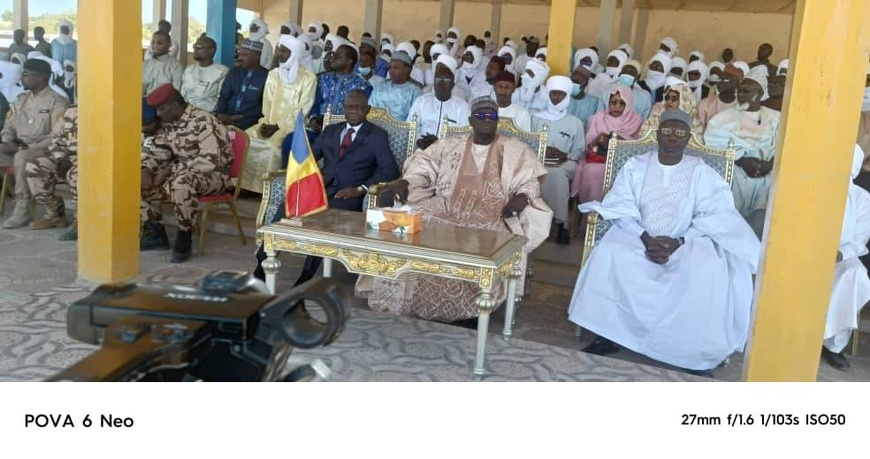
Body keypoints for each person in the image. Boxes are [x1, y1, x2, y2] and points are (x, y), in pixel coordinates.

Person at [570, 109, 760, 377]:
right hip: (638, 236)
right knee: (611, 252)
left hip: (687, 241)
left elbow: (717, 214)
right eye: (667, 131)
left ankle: (693, 353)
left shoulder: (701, 172)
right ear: (658, 134)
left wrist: (679, 241)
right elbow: (621, 204)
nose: (672, 137)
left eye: (679, 132)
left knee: (707, 268)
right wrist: (645, 237)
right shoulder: (636, 165)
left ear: (688, 137)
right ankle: (608, 335)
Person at [358, 97, 553, 322]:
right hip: (445, 206)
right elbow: (423, 168)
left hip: (493, 213)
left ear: (497, 120)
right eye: (480, 116)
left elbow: (530, 181)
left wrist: (523, 196)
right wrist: (406, 181)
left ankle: (473, 307)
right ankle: (406, 298)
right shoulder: (450, 144)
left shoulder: (514, 149)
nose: (486, 120)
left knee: (489, 236)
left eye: (491, 116)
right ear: (470, 120)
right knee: (411, 225)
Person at [252, 90, 399, 283]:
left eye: (358, 107)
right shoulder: (331, 130)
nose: (353, 111)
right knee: (287, 207)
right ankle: (261, 265)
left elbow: (390, 169)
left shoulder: (377, 135)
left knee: (323, 220)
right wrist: (303, 176)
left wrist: (360, 188)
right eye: (349, 107)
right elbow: (310, 157)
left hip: (349, 195)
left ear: (367, 110)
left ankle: (306, 276)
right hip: (321, 188)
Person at [140, 84, 233, 264]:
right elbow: (159, 152)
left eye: (161, 109)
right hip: (184, 174)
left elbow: (209, 161)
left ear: (175, 105)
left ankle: (184, 236)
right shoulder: (169, 124)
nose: (158, 114)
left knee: (181, 182)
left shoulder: (203, 120)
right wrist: (145, 168)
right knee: (135, 179)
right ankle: (155, 232)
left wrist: (170, 170)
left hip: (215, 176)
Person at [704, 67, 781, 238]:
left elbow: (785, 146)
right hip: (736, 168)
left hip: (768, 169)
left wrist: (769, 164)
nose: (740, 94)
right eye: (739, 90)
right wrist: (740, 160)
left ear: (760, 93)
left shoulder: (776, 118)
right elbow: (712, 145)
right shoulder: (721, 119)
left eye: (746, 91)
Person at [0, 59, 69, 229]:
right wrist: (7, 140)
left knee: (22, 156)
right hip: (18, 147)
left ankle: (22, 207)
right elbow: (9, 125)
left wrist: (23, 148)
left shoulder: (58, 102)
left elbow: (56, 137)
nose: (21, 79)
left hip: (45, 150)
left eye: (25, 75)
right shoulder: (21, 100)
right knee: (15, 153)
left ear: (41, 78)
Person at [242, 35, 317, 192]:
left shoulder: (309, 77)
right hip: (269, 122)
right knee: (247, 138)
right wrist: (266, 123)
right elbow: (268, 103)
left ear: (294, 53)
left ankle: (266, 189)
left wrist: (279, 126)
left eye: (284, 51)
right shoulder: (274, 74)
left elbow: (304, 108)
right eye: (279, 50)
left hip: (292, 126)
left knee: (272, 146)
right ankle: (243, 186)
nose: (278, 54)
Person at [820, 145, 870, 370]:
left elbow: (859, 241)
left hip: (841, 258)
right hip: (807, 254)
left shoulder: (862, 199)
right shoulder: (816, 188)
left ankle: (833, 345)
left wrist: (838, 254)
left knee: (856, 275)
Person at [533, 76, 586, 245]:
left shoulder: (575, 122)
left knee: (556, 174)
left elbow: (580, 150)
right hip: (536, 160)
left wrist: (565, 154)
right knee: (536, 171)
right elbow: (527, 142)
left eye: (560, 94)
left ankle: (562, 224)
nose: (556, 97)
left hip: (564, 162)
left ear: (567, 96)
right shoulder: (535, 118)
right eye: (553, 93)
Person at [571, 85, 642, 205]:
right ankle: (591, 210)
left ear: (629, 104)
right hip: (597, 160)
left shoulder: (635, 120)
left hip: (624, 163)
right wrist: (597, 140)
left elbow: (637, 147)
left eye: (622, 103)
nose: (617, 107)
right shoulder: (597, 118)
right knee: (592, 171)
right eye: (613, 102)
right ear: (608, 102)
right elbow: (587, 147)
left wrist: (617, 140)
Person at [407, 59, 470, 150]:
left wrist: (441, 144)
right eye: (438, 80)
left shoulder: (462, 107)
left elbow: (465, 135)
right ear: (434, 83)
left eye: (446, 80)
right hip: (422, 149)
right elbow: (410, 126)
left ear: (453, 85)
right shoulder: (421, 101)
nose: (441, 83)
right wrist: (419, 141)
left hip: (449, 152)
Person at [214, 39, 269, 131]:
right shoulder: (234, 71)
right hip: (226, 116)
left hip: (249, 120)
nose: (239, 58)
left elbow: (263, 106)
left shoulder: (267, 76)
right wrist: (221, 114)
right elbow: (224, 96)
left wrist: (235, 118)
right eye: (239, 54)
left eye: (245, 55)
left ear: (257, 56)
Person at [310, 45, 372, 123]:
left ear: (349, 61)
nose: (333, 58)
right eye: (334, 55)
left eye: (338, 56)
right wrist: (313, 119)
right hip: (320, 125)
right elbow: (315, 104)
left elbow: (364, 112)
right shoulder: (323, 79)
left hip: (348, 127)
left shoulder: (362, 85)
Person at [369, 51, 421, 122]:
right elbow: (371, 110)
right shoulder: (380, 87)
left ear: (408, 69)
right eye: (390, 68)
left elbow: (414, 118)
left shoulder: (415, 91)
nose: (392, 71)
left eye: (396, 68)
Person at [181, 36, 228, 112]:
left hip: (207, 113)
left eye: (198, 47)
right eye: (194, 46)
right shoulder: (189, 69)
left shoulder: (222, 71)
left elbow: (220, 99)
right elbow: (182, 94)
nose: (195, 49)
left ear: (211, 51)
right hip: (185, 111)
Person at [697, 63, 743, 130]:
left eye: (726, 80)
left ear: (736, 84)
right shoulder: (705, 104)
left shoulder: (742, 106)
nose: (720, 82)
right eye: (720, 79)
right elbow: (698, 130)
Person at [142, 31, 184, 96]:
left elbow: (176, 91)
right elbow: (141, 87)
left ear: (169, 45)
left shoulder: (176, 66)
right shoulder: (146, 64)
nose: (155, 45)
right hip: (146, 99)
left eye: (159, 43)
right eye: (153, 42)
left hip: (166, 101)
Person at [568, 51, 600, 126]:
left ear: (586, 83)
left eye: (578, 82)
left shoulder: (594, 102)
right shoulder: (564, 98)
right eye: (573, 81)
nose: (574, 84)